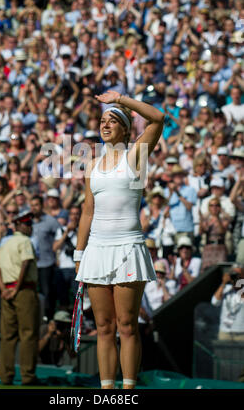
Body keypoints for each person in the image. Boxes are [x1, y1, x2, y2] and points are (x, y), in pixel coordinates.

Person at [74, 89, 164, 389]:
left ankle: (128, 390)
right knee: (103, 327)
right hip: (96, 249)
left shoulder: (136, 156)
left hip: (128, 246)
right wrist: (78, 254)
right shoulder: (92, 166)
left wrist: (121, 100)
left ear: (126, 128)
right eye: (103, 119)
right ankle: (107, 390)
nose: (106, 124)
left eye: (113, 120)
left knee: (127, 326)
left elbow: (158, 118)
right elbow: (87, 212)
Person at [0, 210, 39, 385]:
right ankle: (28, 376)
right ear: (20, 225)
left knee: (8, 335)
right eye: (28, 224)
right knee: (28, 334)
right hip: (24, 291)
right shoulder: (25, 241)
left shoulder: (5, 244)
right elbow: (26, 263)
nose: (30, 227)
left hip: (7, 291)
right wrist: (17, 288)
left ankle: (6, 376)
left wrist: (4, 290)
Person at [211, 264, 244, 341]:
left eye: (238, 274)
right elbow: (214, 302)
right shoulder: (226, 289)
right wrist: (223, 283)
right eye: (233, 273)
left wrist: (238, 283)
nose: (235, 276)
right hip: (225, 331)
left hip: (241, 332)